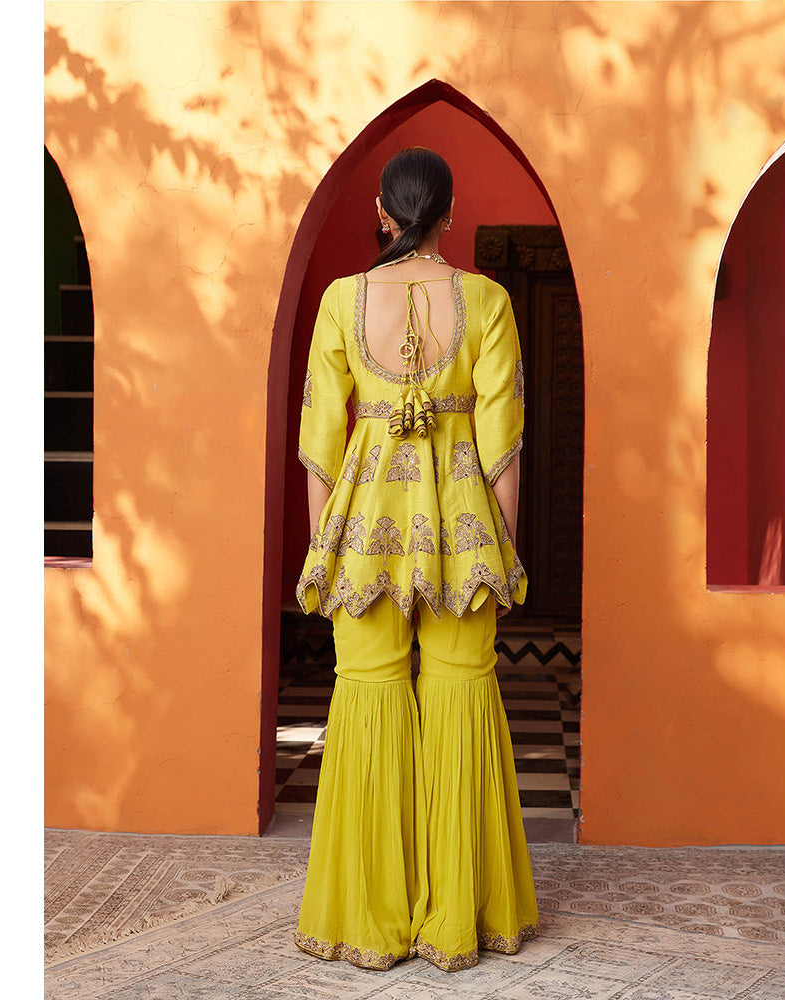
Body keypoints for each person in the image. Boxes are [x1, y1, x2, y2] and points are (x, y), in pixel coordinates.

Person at [292, 146, 538, 972]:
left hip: (365, 526)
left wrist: (324, 550)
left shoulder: (341, 299)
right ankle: (457, 919)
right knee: (462, 694)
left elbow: (320, 440)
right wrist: (502, 550)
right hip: (463, 526)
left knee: (367, 695)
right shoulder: (488, 300)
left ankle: (372, 919)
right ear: (450, 213)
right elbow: (503, 444)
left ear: (383, 214)